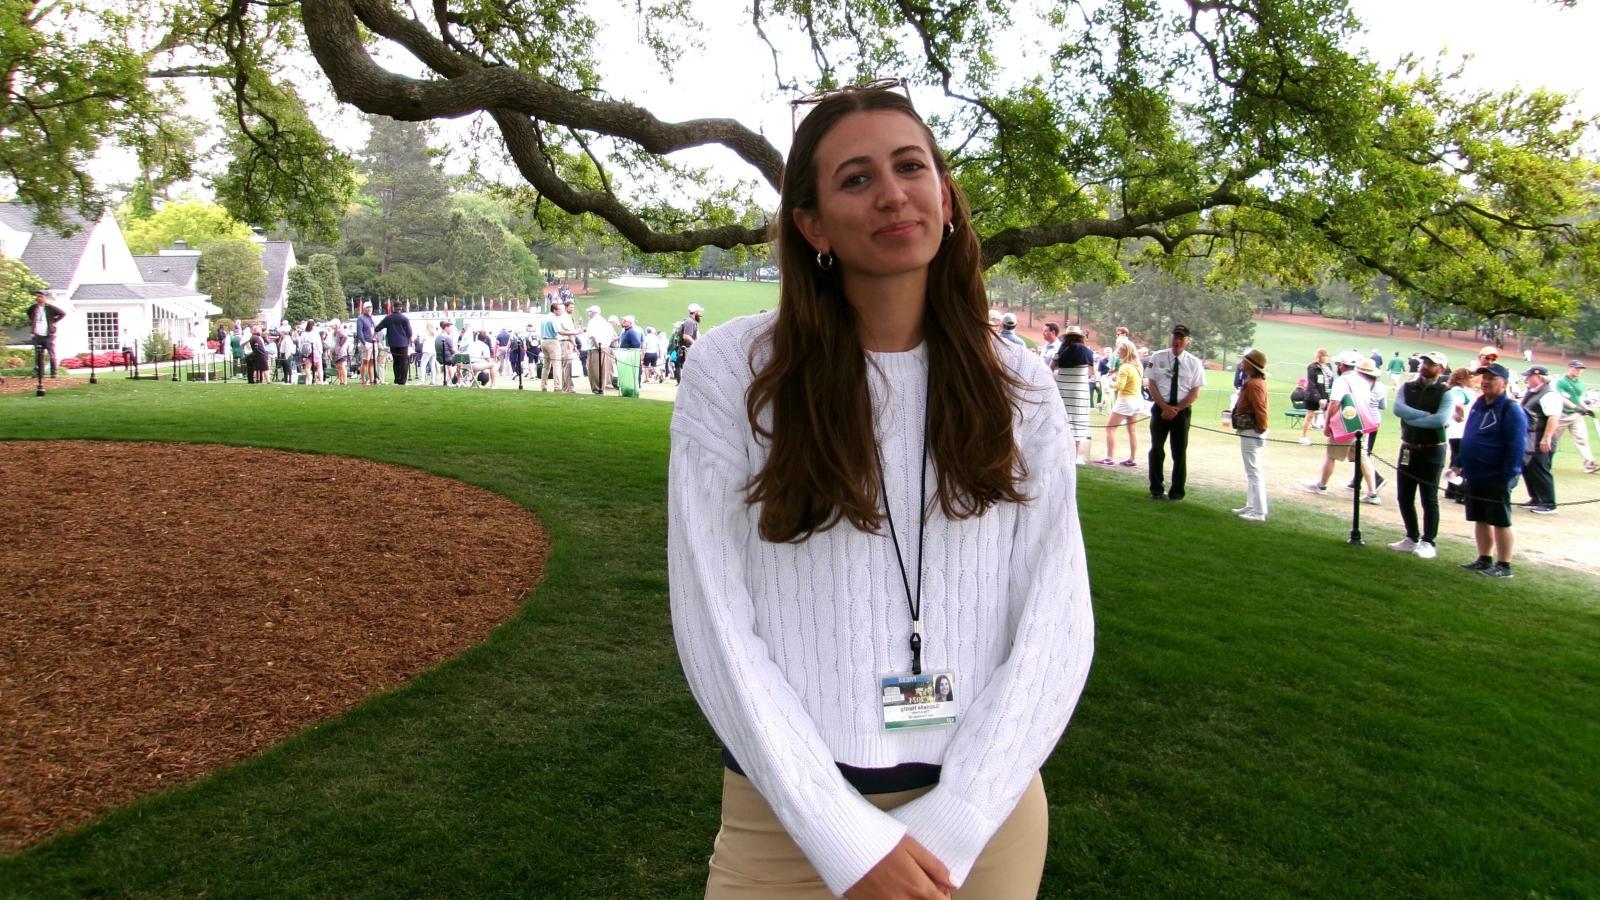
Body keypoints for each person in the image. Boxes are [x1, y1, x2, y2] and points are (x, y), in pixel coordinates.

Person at [668, 82, 1093, 900]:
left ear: (945, 194)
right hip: (786, 823)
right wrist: (840, 834)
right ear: (813, 224)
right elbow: (713, 620)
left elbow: (1056, 621)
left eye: (911, 166)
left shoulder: (1020, 388)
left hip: (982, 824)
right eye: (856, 179)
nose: (894, 193)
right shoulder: (736, 374)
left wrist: (960, 817)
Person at [1452, 363, 1527, 578]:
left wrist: (1508, 474)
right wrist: (1459, 460)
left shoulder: (1510, 409)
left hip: (1497, 475)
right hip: (1475, 472)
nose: (1485, 382)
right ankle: (1484, 559)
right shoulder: (1479, 403)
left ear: (1504, 383)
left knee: (1500, 520)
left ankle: (1504, 565)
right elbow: (1469, 434)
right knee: (1480, 517)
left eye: (1491, 379)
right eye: (1484, 378)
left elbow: (1517, 445)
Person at [1388, 351, 1456, 559]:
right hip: (1409, 447)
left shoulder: (1446, 392)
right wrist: (1423, 416)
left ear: (1441, 369)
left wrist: (1413, 419)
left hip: (1432, 449)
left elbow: (1440, 420)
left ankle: (1428, 541)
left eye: (1431, 363)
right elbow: (1398, 408)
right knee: (1404, 496)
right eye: (1424, 362)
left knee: (1429, 497)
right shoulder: (1407, 387)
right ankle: (1411, 536)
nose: (1425, 366)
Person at [1304, 351, 1379, 501]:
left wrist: (1327, 424)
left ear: (1342, 366)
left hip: (1346, 422)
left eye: (1338, 364)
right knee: (1362, 456)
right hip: (1361, 424)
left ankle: (1322, 485)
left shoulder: (1343, 381)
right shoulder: (1364, 381)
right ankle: (1372, 492)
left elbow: (1335, 403)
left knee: (1331, 455)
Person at [1144, 323, 1205, 501]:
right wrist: (1164, 407)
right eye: (1175, 337)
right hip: (1160, 408)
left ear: (1187, 341)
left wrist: (1176, 409)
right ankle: (1156, 489)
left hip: (1181, 410)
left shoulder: (1194, 363)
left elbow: (1195, 392)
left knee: (1179, 452)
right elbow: (1152, 384)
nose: (1177, 341)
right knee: (1156, 449)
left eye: (1181, 338)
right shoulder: (1158, 356)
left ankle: (1177, 492)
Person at [1518, 365, 1563, 514]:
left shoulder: (1549, 394)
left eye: (1529, 376)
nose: (1526, 379)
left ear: (1539, 377)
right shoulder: (1534, 392)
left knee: (1540, 469)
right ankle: (1536, 498)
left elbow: (1553, 417)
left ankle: (1548, 502)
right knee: (1529, 469)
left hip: (1541, 438)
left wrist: (1546, 438)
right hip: (1531, 438)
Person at [1231, 349, 1270, 521]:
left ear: (1251, 364)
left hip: (1252, 430)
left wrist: (1260, 428)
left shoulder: (1254, 384)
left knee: (1253, 471)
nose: (1241, 363)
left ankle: (1259, 511)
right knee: (1252, 470)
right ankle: (1252, 505)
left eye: (1245, 361)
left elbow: (1260, 409)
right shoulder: (1255, 382)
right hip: (1252, 430)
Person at [1096, 340, 1143, 467]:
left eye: (1120, 350)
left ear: (1126, 352)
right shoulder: (1137, 366)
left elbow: (1120, 386)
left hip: (1126, 400)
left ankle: (1109, 457)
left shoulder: (1125, 367)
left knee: (1110, 428)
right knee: (1132, 430)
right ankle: (1132, 458)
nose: (1118, 352)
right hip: (1137, 399)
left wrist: (1108, 383)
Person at [1052, 324, 1094, 464]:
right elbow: (1091, 372)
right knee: (1078, 424)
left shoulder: (1061, 350)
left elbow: (1050, 369)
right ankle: (1073, 458)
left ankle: (1059, 456)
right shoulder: (1086, 351)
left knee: (1063, 422)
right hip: (1079, 392)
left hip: (1062, 390)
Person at [1442, 367, 1478, 503]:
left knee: (1456, 458)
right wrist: (1461, 416)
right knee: (1461, 460)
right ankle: (1460, 492)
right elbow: (1459, 405)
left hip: (1458, 430)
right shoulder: (1458, 390)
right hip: (1461, 430)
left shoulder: (1458, 390)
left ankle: (1451, 489)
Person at [1553, 361, 1597, 474]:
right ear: (1570, 368)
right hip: (1562, 415)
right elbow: (1562, 398)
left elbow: (1579, 398)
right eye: (1576, 368)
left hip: (1576, 416)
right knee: (1552, 440)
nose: (1579, 371)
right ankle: (1543, 461)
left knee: (1582, 438)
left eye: (1580, 369)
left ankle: (1589, 463)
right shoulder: (1561, 381)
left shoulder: (1579, 383)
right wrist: (1576, 407)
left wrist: (1586, 408)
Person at [28, 290, 66, 379]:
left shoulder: (50, 308)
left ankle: (53, 373)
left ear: (45, 298)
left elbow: (62, 313)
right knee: (38, 355)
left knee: (51, 354)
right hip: (37, 335)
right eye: (37, 296)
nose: (38, 298)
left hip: (48, 335)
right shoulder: (33, 308)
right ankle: (40, 373)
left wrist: (54, 321)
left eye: (40, 296)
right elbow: (29, 314)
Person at [373, 305, 415, 385]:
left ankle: (397, 379)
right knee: (404, 362)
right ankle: (403, 380)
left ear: (393, 308)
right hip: (403, 343)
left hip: (393, 343)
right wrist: (412, 341)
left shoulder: (388, 318)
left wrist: (374, 335)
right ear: (401, 308)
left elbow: (378, 327)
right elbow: (409, 332)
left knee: (396, 362)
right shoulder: (404, 318)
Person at [1300, 349, 1334, 445]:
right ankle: (1304, 437)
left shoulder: (1327, 367)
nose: (1326, 358)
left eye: (1327, 356)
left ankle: (1331, 437)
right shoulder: (1312, 367)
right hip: (1313, 396)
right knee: (1310, 416)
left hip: (1325, 394)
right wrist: (1318, 398)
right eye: (1324, 356)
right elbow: (1312, 384)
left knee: (1328, 416)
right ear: (1320, 356)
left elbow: (1330, 380)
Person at [583, 305, 617, 395]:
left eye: (589, 312)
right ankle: (601, 388)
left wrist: (598, 346)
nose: (588, 313)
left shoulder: (592, 322)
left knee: (594, 370)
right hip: (605, 348)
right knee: (603, 370)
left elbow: (593, 335)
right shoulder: (605, 322)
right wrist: (605, 345)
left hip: (595, 348)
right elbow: (611, 336)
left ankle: (597, 389)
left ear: (593, 312)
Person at [677, 302, 702, 380]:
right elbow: (686, 336)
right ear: (695, 312)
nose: (700, 314)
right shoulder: (690, 322)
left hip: (688, 348)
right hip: (688, 349)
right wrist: (696, 344)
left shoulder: (690, 321)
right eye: (699, 312)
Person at [356, 301, 378, 385]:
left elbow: (376, 330)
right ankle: (362, 379)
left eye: (370, 307)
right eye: (367, 307)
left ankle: (372, 379)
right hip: (366, 343)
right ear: (364, 309)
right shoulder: (361, 318)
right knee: (365, 362)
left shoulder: (372, 318)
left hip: (373, 342)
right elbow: (359, 332)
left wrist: (378, 341)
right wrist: (364, 342)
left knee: (372, 362)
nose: (369, 309)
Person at [434, 321, 457, 385]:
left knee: (450, 365)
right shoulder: (448, 337)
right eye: (451, 328)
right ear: (446, 328)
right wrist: (458, 352)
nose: (451, 330)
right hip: (448, 359)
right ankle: (456, 381)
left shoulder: (437, 337)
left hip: (440, 358)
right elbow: (453, 350)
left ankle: (449, 380)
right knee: (462, 359)